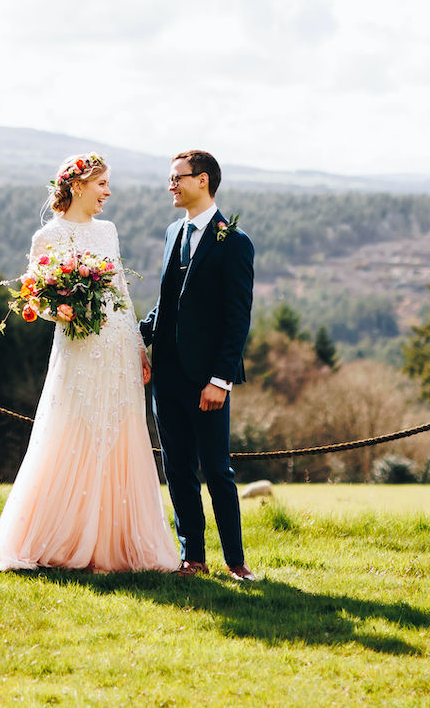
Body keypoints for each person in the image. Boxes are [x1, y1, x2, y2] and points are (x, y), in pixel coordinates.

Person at [0, 154, 180, 572]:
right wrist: (56, 311)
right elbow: (35, 297)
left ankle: (117, 543)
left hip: (118, 344)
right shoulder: (48, 236)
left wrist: (139, 347)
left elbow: (121, 290)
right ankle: (61, 537)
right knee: (75, 427)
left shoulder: (108, 231)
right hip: (79, 346)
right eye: (102, 184)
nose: (107, 192)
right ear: (79, 185)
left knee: (120, 430)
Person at [139, 149, 257, 581]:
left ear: (202, 180)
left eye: (177, 178)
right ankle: (192, 558)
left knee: (217, 471)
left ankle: (236, 562)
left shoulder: (235, 242)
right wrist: (136, 334)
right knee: (177, 469)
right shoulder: (174, 232)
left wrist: (220, 379)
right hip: (166, 375)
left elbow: (237, 318)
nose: (170, 185)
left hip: (208, 380)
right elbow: (168, 300)